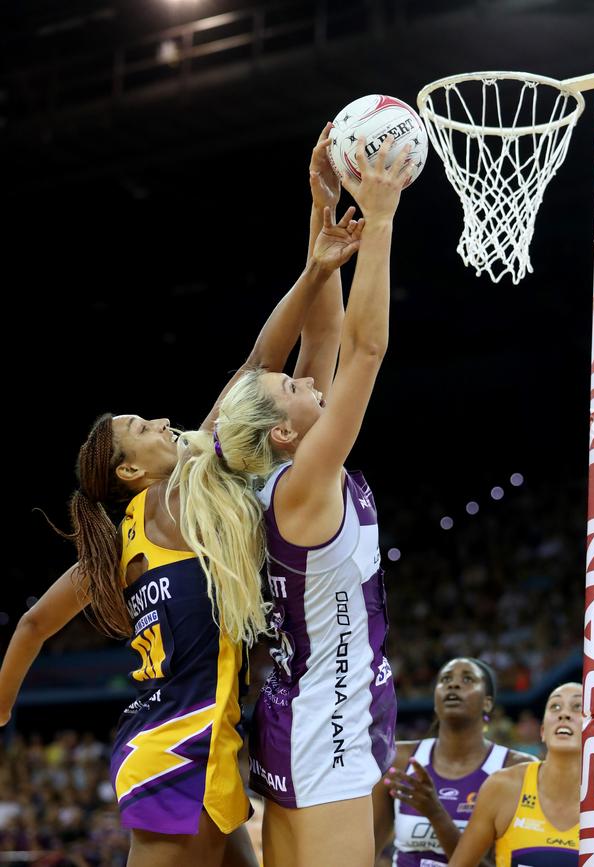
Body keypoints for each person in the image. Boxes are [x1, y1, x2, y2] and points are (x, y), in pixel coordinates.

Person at [0, 126, 361, 867]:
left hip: (200, 733)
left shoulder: (130, 537)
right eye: (142, 426)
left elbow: (36, 623)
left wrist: (2, 705)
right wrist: (315, 262)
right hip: (182, 746)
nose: (165, 421)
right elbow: (264, 362)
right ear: (132, 471)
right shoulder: (184, 490)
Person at [171, 135, 412, 867]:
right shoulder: (304, 481)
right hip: (326, 731)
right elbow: (365, 351)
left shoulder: (273, 477)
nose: (313, 380)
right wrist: (381, 221)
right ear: (283, 429)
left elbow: (328, 332)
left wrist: (323, 216)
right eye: (299, 387)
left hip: (305, 719)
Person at [374, 657, 533, 867]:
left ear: (487, 702)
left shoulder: (516, 768)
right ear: (435, 699)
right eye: (445, 679)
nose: (453, 684)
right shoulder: (397, 757)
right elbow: (367, 849)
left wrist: (436, 815)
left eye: (468, 680)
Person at [447, 682, 581, 867]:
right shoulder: (503, 786)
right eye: (555, 706)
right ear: (543, 731)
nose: (564, 714)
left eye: (578, 707)